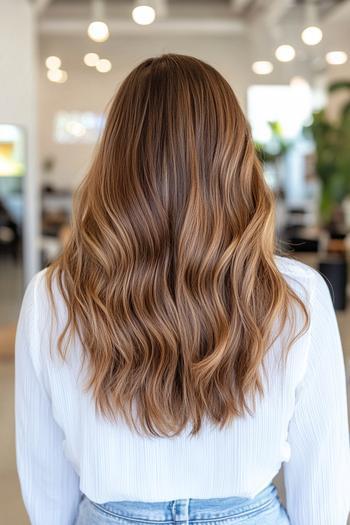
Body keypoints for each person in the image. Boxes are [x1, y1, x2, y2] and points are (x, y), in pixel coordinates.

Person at [15, 54, 350, 525]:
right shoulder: (297, 294)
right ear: (233, 156)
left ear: (114, 159)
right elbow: (323, 479)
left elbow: (44, 477)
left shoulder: (53, 294)